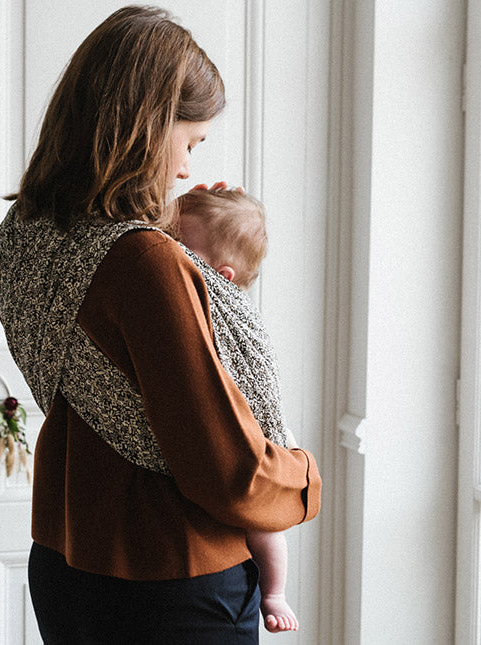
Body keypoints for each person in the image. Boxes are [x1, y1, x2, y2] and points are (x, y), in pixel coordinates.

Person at [0, 6, 320, 644]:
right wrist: (303, 478)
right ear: (143, 125)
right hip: (173, 576)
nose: (188, 168)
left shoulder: (20, 238)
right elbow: (228, 470)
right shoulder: (143, 260)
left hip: (64, 556)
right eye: (189, 140)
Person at [175, 186, 300, 632]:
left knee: (263, 524)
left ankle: (275, 593)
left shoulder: (222, 308)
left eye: (181, 245)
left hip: (256, 441)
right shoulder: (188, 290)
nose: (168, 249)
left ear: (221, 275)